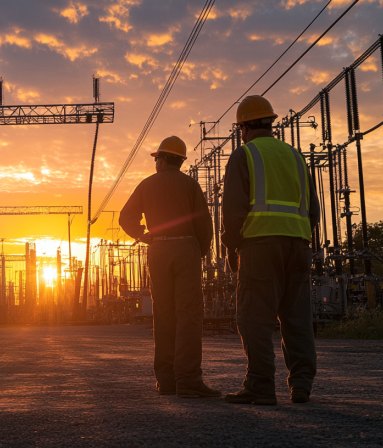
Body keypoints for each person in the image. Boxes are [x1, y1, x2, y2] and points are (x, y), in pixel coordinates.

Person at [222, 95, 320, 405]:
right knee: (297, 318)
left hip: (260, 246)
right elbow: (313, 210)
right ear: (271, 123)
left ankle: (261, 385)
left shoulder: (244, 155)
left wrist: (231, 247)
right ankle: (301, 384)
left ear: (243, 128)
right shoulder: (294, 156)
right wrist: (300, 237)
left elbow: (234, 211)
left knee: (254, 317)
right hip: (299, 244)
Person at [119, 136, 219, 398]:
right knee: (188, 314)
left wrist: (141, 234)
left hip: (159, 250)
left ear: (162, 159)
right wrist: (201, 250)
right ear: (181, 160)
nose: (156, 163)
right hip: (186, 248)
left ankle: (166, 380)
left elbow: (125, 217)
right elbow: (204, 224)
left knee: (163, 314)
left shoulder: (147, 185)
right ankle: (188, 379)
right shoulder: (190, 185)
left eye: (156, 159)